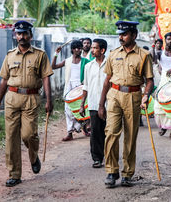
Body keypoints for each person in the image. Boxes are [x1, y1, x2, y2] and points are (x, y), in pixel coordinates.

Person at [0, 21, 54, 187]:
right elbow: (4, 80)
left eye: (25, 33)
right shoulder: (10, 55)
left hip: (31, 99)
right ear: (15, 35)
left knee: (28, 135)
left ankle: (33, 155)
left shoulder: (40, 55)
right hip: (12, 98)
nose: (21, 36)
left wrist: (49, 100)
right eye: (19, 33)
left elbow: (46, 78)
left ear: (30, 35)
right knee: (11, 137)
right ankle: (14, 174)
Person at [98, 21, 154, 188]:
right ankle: (111, 170)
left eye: (124, 34)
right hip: (114, 95)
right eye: (119, 34)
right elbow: (107, 80)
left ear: (134, 35)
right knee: (111, 133)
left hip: (134, 96)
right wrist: (101, 104)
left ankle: (127, 173)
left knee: (130, 136)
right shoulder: (113, 54)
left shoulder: (144, 55)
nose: (120, 37)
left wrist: (146, 95)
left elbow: (150, 81)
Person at [52, 40, 90, 141]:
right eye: (75, 48)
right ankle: (70, 133)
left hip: (81, 87)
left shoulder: (85, 61)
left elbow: (92, 69)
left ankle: (84, 128)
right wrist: (56, 54)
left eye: (79, 48)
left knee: (82, 108)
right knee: (68, 110)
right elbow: (53, 67)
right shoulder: (67, 61)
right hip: (69, 88)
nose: (78, 50)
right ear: (72, 50)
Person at [80, 39, 108, 168]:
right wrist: (82, 104)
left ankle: (109, 155)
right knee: (96, 131)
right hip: (93, 103)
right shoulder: (88, 66)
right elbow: (85, 86)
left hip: (109, 104)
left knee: (109, 131)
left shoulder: (110, 64)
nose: (92, 50)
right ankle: (97, 158)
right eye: (92, 48)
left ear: (102, 50)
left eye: (95, 48)